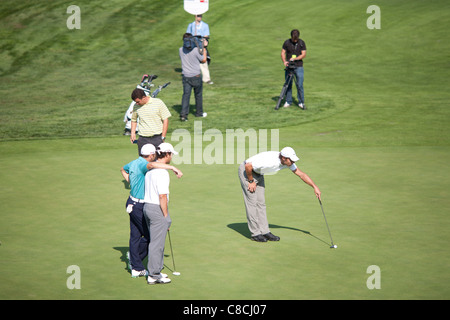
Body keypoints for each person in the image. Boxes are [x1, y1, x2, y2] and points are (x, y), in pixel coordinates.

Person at [120, 144, 183, 277]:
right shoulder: (144, 164)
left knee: (135, 235)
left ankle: (136, 265)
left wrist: (131, 182)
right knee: (151, 236)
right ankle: (135, 260)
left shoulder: (134, 162)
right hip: (139, 205)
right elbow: (153, 166)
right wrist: (172, 167)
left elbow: (123, 169)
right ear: (151, 155)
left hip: (131, 201)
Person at [238, 147, 321, 242]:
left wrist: (315, 187)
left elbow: (301, 174)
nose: (293, 162)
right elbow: (248, 166)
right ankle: (255, 234)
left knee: (261, 203)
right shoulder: (269, 161)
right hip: (247, 172)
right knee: (252, 203)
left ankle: (265, 231)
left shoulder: (287, 162)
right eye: (291, 160)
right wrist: (251, 181)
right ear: (284, 158)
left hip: (259, 173)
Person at [144, 143, 179, 284]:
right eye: (171, 154)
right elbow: (162, 196)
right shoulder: (162, 173)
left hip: (148, 207)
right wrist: (166, 216)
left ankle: (157, 269)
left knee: (156, 241)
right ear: (167, 154)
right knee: (156, 244)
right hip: (157, 209)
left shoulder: (151, 170)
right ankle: (153, 275)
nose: (171, 157)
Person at [130, 88, 171, 155]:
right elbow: (134, 120)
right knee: (143, 162)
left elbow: (165, 119)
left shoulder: (158, 102)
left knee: (158, 161)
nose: (137, 104)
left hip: (157, 138)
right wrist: (132, 133)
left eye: (138, 102)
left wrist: (163, 136)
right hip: (143, 138)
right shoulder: (136, 106)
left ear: (143, 97)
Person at [179, 33, 208, 121]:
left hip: (186, 76)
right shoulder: (195, 50)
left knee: (186, 96)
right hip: (196, 76)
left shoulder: (180, 50)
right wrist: (203, 48)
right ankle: (199, 113)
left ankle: (183, 115)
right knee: (198, 95)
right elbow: (203, 60)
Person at [281, 29, 307, 109]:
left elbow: (304, 54)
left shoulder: (301, 43)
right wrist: (285, 61)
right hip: (289, 67)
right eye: (293, 39)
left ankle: (301, 102)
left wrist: (295, 59)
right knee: (288, 84)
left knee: (299, 85)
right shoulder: (287, 42)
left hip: (299, 66)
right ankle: (288, 101)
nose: (294, 40)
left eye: (296, 39)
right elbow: (283, 52)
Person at [186, 14, 213, 84]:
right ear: (195, 16)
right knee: (192, 62)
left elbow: (206, 36)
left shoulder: (205, 25)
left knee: (203, 61)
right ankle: (192, 77)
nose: (200, 17)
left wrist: (205, 41)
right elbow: (187, 35)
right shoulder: (191, 25)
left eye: (201, 16)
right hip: (193, 46)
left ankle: (206, 79)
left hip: (201, 45)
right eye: (198, 16)